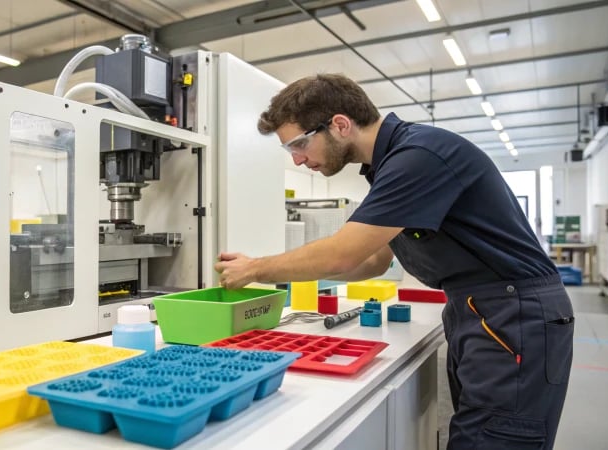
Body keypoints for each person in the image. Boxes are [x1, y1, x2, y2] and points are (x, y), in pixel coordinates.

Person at [214, 73, 574, 449]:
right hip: (480, 308)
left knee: (493, 440)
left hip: (513, 312)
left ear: (340, 124)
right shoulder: (389, 165)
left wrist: (256, 268)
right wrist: (291, 275)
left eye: (299, 144)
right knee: (476, 432)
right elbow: (372, 260)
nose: (299, 159)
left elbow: (344, 253)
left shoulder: (418, 156)